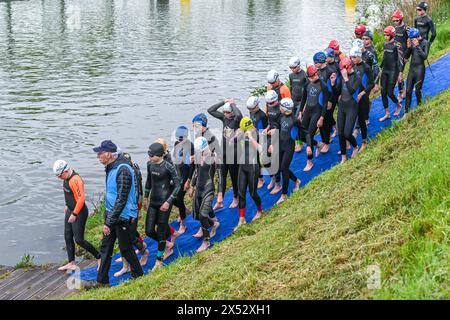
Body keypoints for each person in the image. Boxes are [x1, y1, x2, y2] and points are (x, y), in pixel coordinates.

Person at [91, 140, 143, 288]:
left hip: (124, 216)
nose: (98, 157)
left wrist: (109, 222)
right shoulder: (110, 167)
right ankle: (102, 282)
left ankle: (138, 275)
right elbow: (112, 196)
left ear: (109, 154)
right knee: (105, 248)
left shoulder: (123, 169)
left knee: (126, 248)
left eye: (100, 154)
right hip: (113, 214)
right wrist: (106, 217)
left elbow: (122, 199)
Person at [53, 160, 100, 272]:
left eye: (60, 175)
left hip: (79, 212)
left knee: (79, 240)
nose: (59, 178)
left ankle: (99, 257)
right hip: (70, 210)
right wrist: (67, 205)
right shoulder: (66, 178)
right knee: (68, 236)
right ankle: (71, 263)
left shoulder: (75, 180)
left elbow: (81, 199)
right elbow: (69, 194)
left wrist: (74, 214)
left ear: (66, 170)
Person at [145, 142, 181, 271]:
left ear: (159, 155)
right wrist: (145, 198)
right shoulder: (150, 165)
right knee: (148, 231)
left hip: (165, 203)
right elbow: (149, 181)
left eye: (151, 155)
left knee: (161, 232)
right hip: (153, 202)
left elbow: (178, 185)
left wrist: (169, 201)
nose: (148, 157)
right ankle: (167, 243)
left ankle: (159, 260)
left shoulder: (168, 167)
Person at [114, 152, 150, 277]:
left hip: (132, 207)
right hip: (124, 208)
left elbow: (138, 190)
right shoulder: (120, 169)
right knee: (124, 237)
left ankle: (143, 251)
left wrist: (138, 209)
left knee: (131, 236)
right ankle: (126, 263)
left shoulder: (133, 170)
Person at [230, 117, 264, 231]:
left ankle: (260, 210)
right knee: (241, 194)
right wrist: (236, 135)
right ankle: (241, 219)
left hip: (253, 167)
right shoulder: (242, 133)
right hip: (243, 167)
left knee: (253, 193)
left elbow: (260, 149)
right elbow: (231, 142)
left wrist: (250, 137)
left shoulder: (256, 134)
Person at [190, 113, 222, 239]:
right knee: (200, 201)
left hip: (210, 166)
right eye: (193, 126)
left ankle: (206, 227)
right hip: (201, 166)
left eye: (196, 125)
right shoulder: (198, 135)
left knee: (205, 194)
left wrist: (210, 158)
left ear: (203, 125)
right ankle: (213, 221)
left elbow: (218, 154)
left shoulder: (210, 137)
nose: (194, 128)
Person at [207, 99, 242, 210]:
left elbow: (239, 114)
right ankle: (220, 199)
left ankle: (236, 198)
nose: (226, 114)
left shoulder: (237, 120)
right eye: (224, 112)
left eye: (228, 112)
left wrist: (232, 104)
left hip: (234, 155)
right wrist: (223, 101)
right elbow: (210, 110)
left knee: (234, 177)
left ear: (232, 112)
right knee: (221, 176)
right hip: (223, 153)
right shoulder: (223, 118)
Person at [299, 65, 330, 171]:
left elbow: (325, 104)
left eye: (312, 76)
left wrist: (321, 117)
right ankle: (318, 144)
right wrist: (300, 112)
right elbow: (303, 99)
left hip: (317, 112)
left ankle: (309, 162)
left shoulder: (323, 85)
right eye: (310, 77)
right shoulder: (307, 83)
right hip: (307, 111)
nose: (311, 79)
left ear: (316, 74)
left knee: (309, 135)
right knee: (300, 135)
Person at [331, 58, 362, 163]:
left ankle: (355, 146)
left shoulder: (357, 77)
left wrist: (346, 78)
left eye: (343, 70)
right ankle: (343, 156)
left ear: (348, 67)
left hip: (352, 107)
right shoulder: (343, 77)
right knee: (340, 133)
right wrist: (333, 84)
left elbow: (352, 91)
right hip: (342, 106)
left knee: (347, 133)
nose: (343, 72)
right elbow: (337, 91)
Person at [271, 98, 301, 204]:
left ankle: (284, 194)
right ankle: (297, 181)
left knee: (284, 168)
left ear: (285, 108)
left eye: (281, 106)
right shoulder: (281, 116)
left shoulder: (295, 120)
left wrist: (308, 146)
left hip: (289, 146)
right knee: (280, 167)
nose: (279, 108)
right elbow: (278, 129)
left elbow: (304, 131)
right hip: (280, 144)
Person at [350, 46, 375, 152]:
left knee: (361, 120)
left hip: (363, 97)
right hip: (354, 97)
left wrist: (363, 93)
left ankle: (364, 142)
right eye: (351, 57)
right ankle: (350, 143)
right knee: (351, 119)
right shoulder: (352, 66)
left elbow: (372, 84)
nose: (352, 59)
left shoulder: (366, 67)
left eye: (354, 57)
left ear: (359, 56)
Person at [172, 125, 195, 234]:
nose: (180, 140)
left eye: (181, 138)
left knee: (179, 197)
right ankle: (184, 210)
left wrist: (189, 181)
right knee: (173, 197)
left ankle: (183, 223)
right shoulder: (176, 144)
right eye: (178, 138)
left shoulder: (191, 146)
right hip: (178, 173)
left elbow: (192, 165)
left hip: (186, 173)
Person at [379, 26, 402, 122]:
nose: (385, 37)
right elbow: (385, 57)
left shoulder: (397, 45)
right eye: (384, 35)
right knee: (383, 92)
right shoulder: (385, 44)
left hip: (393, 70)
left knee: (390, 92)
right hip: (385, 70)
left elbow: (400, 60)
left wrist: (400, 73)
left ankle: (398, 105)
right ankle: (387, 113)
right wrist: (380, 68)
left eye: (387, 35)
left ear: (392, 34)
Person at [313, 51, 334, 155]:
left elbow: (331, 89)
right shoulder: (318, 71)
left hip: (326, 101)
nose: (314, 65)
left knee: (325, 122)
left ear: (321, 61)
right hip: (319, 101)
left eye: (315, 62)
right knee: (320, 123)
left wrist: (330, 100)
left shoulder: (329, 71)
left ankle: (326, 143)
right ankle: (324, 140)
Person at [404, 27, 430, 113]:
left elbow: (425, 56)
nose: (411, 41)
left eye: (412, 39)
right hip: (412, 70)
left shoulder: (425, 43)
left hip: (420, 69)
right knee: (408, 91)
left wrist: (418, 46)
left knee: (417, 90)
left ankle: (419, 108)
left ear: (417, 37)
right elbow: (406, 57)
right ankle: (406, 112)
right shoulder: (411, 43)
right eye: (410, 39)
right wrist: (408, 48)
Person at [262, 90, 282, 195]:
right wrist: (267, 128)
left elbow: (284, 125)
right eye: (268, 103)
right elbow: (271, 122)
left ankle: (278, 184)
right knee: (264, 159)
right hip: (271, 133)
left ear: (276, 100)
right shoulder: (269, 107)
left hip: (280, 135)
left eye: (271, 103)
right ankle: (273, 177)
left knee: (275, 160)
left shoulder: (281, 108)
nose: (270, 105)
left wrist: (276, 130)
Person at [246, 96, 268, 189]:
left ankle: (275, 178)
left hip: (262, 138)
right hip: (254, 138)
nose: (250, 110)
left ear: (256, 106)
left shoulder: (262, 115)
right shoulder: (251, 111)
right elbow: (252, 123)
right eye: (249, 109)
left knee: (265, 160)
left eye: (251, 109)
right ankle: (260, 179)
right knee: (255, 160)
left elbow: (262, 131)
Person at [288, 57, 308, 152]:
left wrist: (304, 106)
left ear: (298, 65)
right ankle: (296, 142)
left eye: (294, 67)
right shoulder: (291, 75)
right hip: (293, 102)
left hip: (301, 102)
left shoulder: (304, 75)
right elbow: (292, 88)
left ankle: (299, 143)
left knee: (297, 122)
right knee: (292, 122)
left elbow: (307, 91)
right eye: (291, 67)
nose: (292, 69)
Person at [392, 9, 409, 102]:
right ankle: (403, 90)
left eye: (397, 20)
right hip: (395, 55)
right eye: (393, 21)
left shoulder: (406, 29)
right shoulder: (394, 29)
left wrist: (407, 56)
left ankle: (400, 92)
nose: (395, 22)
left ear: (401, 19)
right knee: (397, 76)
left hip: (403, 55)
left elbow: (411, 44)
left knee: (399, 76)